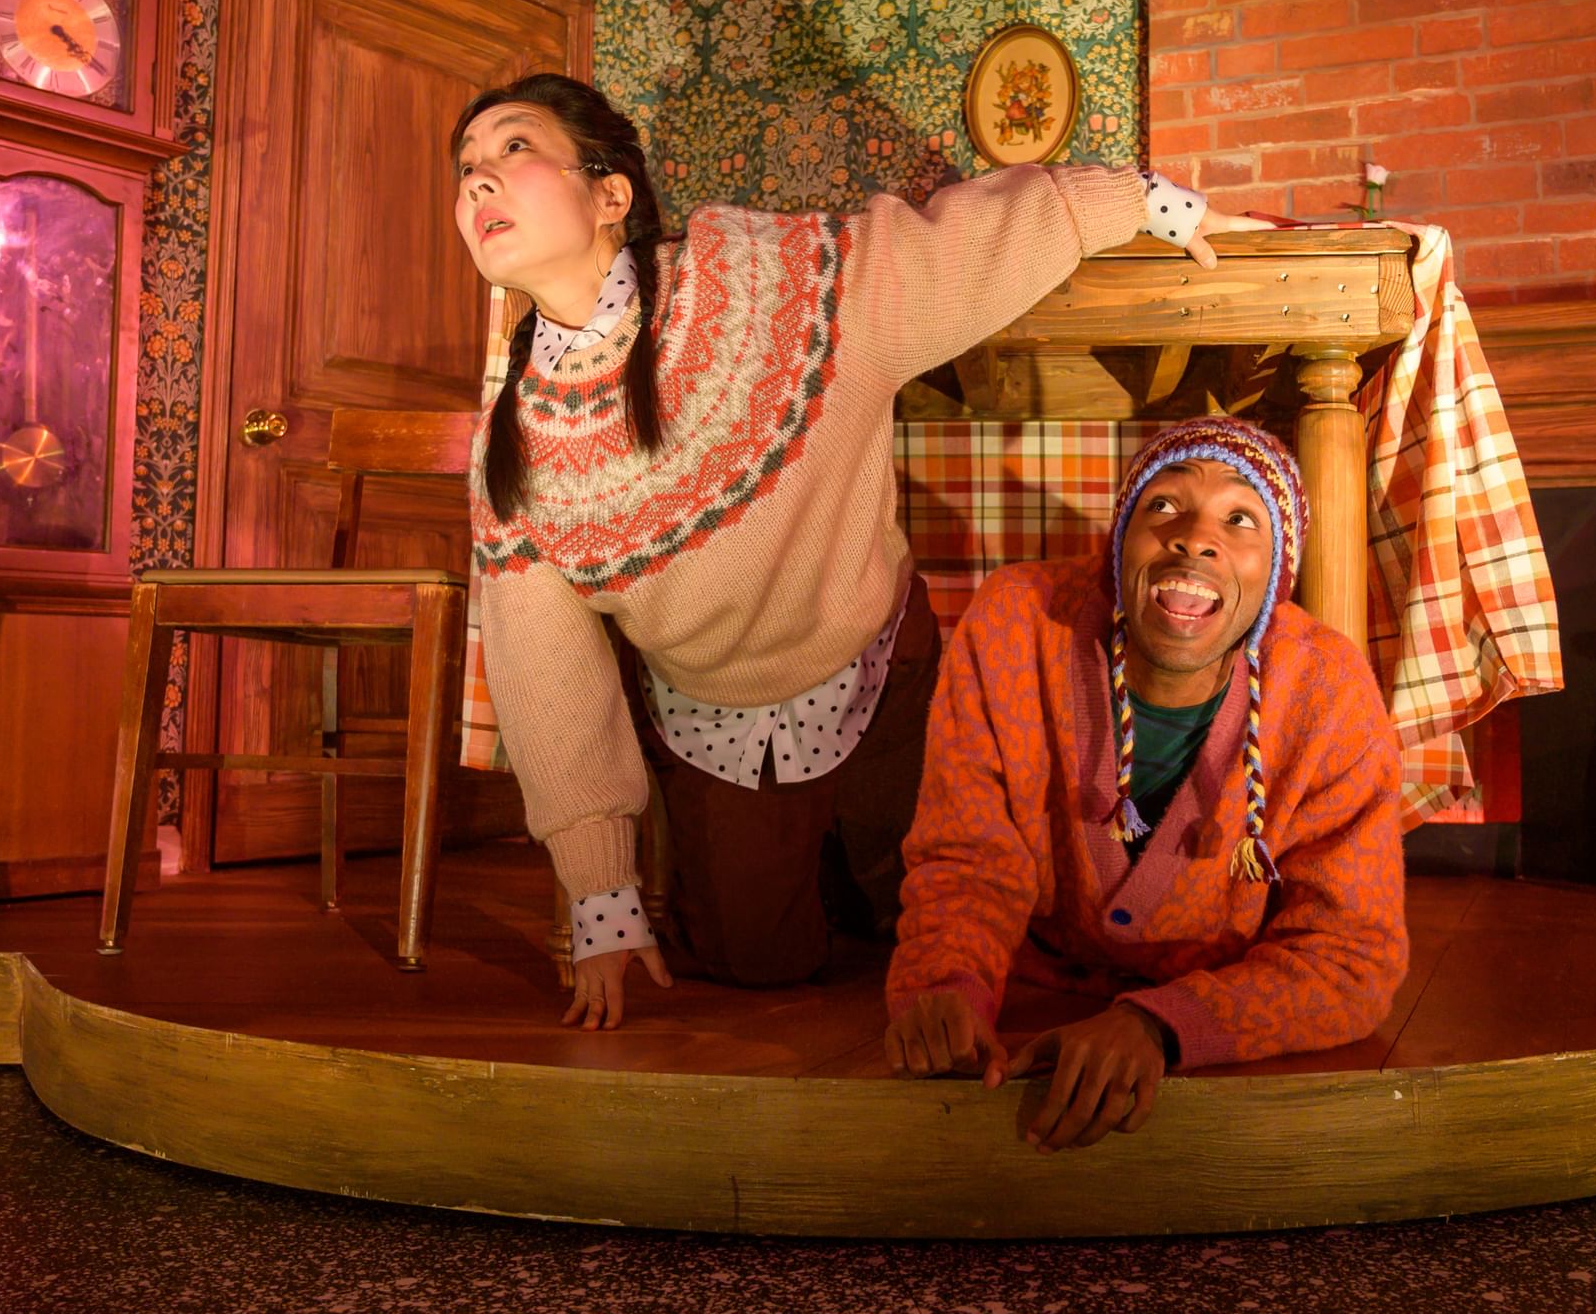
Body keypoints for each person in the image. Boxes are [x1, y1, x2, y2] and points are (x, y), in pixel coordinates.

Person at [456, 73, 1262, 1029]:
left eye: (512, 149)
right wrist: (601, 898)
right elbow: (551, 681)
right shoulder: (513, 444)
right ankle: (804, 859)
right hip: (717, 718)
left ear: (611, 195)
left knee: (944, 917)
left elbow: (943, 252)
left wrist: (1136, 199)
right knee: (758, 963)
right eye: (465, 170)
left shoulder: (763, 277)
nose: (477, 184)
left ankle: (852, 856)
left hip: (882, 671)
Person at [882, 417, 1408, 1150]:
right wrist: (947, 983)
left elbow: (1352, 954)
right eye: (1163, 506)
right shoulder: (1013, 623)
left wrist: (1158, 1024)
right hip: (1026, 991)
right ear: (1118, 544)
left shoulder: (1327, 689)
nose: (1194, 536)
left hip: (1216, 1016)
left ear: (1274, 578)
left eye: (1240, 518)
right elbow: (967, 857)